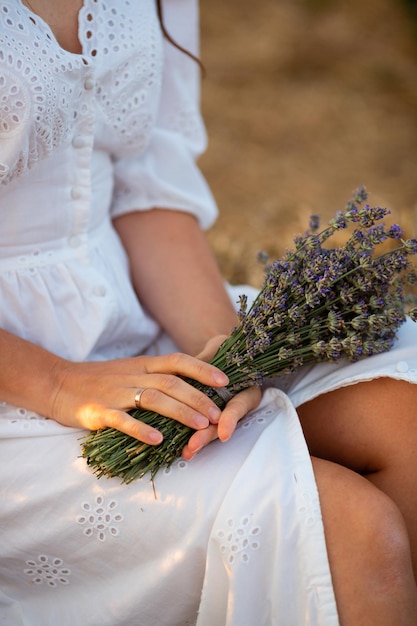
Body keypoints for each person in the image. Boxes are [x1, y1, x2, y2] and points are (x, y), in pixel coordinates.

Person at [0, 1, 416, 624]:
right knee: (351, 531)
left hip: (135, 314)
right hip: (20, 383)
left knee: (407, 420)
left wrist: (225, 354)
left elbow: (145, 193)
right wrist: (59, 383)